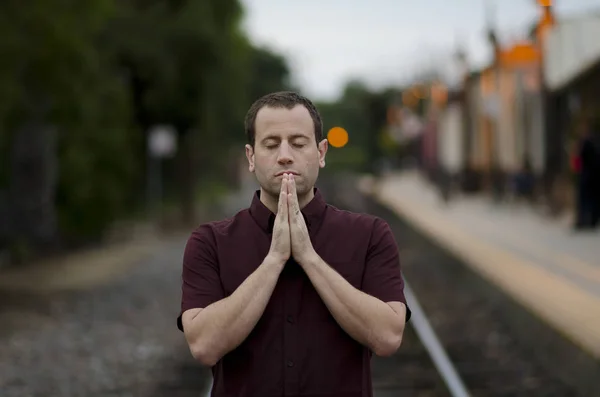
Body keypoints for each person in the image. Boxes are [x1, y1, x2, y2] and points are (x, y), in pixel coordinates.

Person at [177, 91, 411, 397]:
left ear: (321, 152)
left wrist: (309, 258)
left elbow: (388, 337)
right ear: (251, 157)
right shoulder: (210, 242)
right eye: (271, 144)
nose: (285, 155)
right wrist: (274, 260)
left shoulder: (370, 234)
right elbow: (203, 346)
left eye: (299, 143)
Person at [573, 120, 600, 230]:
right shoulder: (595, 141)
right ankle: (592, 221)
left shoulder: (585, 143)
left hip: (587, 175)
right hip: (594, 175)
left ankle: (584, 221)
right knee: (593, 199)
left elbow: (579, 160)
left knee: (585, 199)